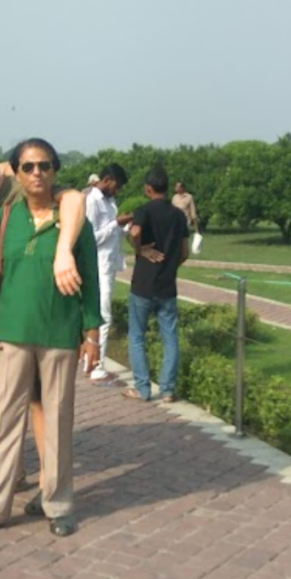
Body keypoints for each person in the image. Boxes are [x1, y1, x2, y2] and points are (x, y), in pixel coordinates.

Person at [0, 138, 101, 540]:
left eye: (44, 165)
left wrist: (91, 334)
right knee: (6, 422)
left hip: (59, 334)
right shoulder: (6, 220)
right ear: (16, 173)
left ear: (54, 171)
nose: (37, 173)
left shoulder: (73, 223)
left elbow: (91, 282)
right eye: (28, 166)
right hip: (11, 336)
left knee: (56, 420)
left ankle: (57, 503)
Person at [123, 167, 189, 403]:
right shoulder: (178, 215)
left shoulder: (144, 210)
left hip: (143, 283)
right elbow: (185, 252)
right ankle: (168, 390)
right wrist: (170, 266)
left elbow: (135, 232)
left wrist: (140, 249)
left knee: (136, 336)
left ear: (148, 188)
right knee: (170, 338)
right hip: (167, 285)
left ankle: (142, 389)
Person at [84, 163, 133, 383]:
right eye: (117, 185)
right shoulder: (92, 201)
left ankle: (92, 361)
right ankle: (97, 367)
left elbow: (114, 234)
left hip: (109, 264)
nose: (117, 190)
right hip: (98, 266)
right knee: (103, 316)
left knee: (103, 314)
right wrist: (115, 224)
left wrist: (125, 226)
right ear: (107, 180)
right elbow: (90, 238)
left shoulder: (110, 201)